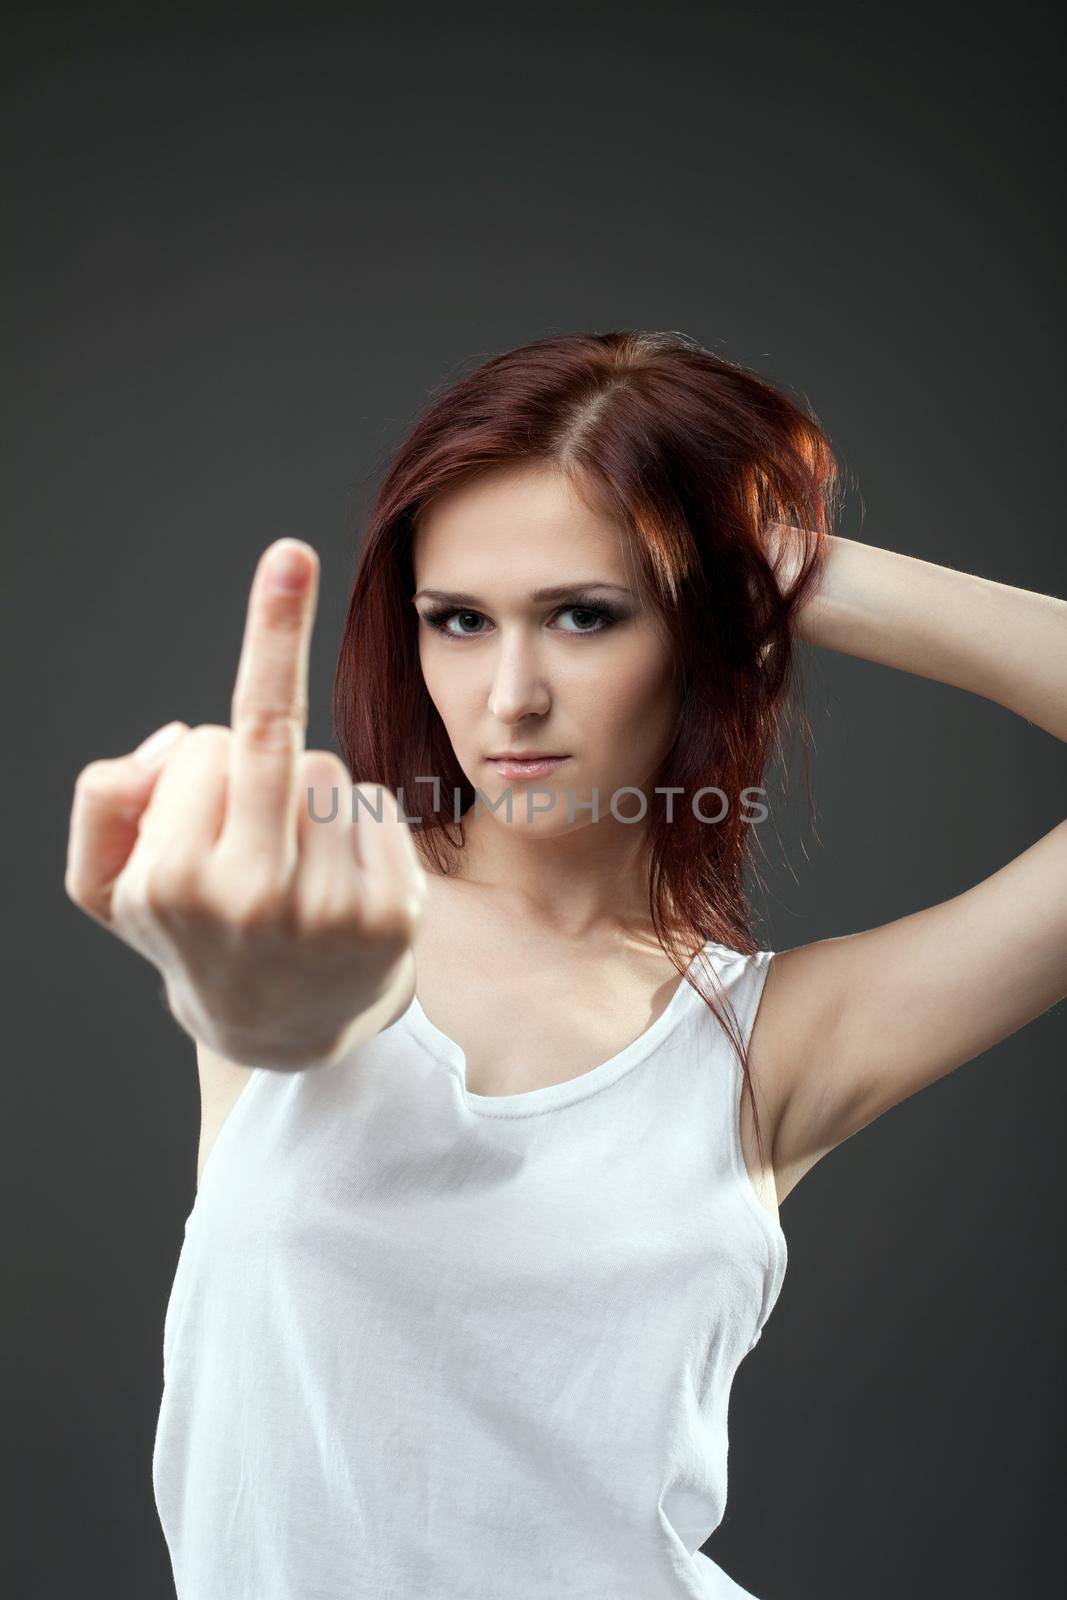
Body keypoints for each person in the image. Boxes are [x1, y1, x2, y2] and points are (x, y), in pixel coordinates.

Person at [64, 330, 1067, 1599]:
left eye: (584, 615)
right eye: (459, 621)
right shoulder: (328, 894)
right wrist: (255, 1002)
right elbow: (281, 992)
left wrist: (794, 570)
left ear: (706, 635)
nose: (510, 696)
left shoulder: (771, 1045)